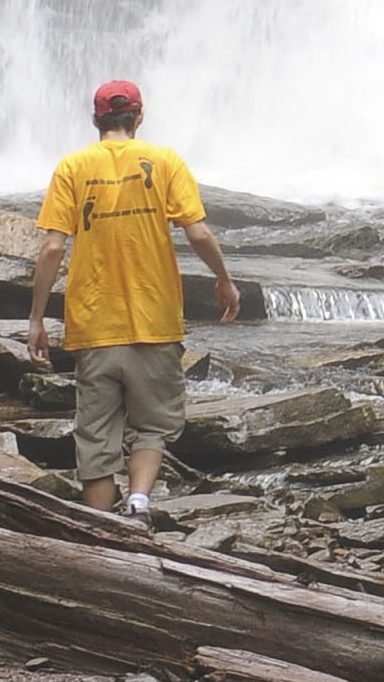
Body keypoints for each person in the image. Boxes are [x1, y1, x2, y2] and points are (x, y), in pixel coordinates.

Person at [26, 72, 240, 515]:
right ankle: (139, 503)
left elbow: (51, 246)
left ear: (95, 119)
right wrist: (224, 278)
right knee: (153, 425)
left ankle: (100, 528)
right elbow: (198, 233)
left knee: (95, 436)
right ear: (138, 117)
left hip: (93, 323)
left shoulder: (72, 167)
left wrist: (37, 318)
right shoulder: (165, 162)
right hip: (154, 319)